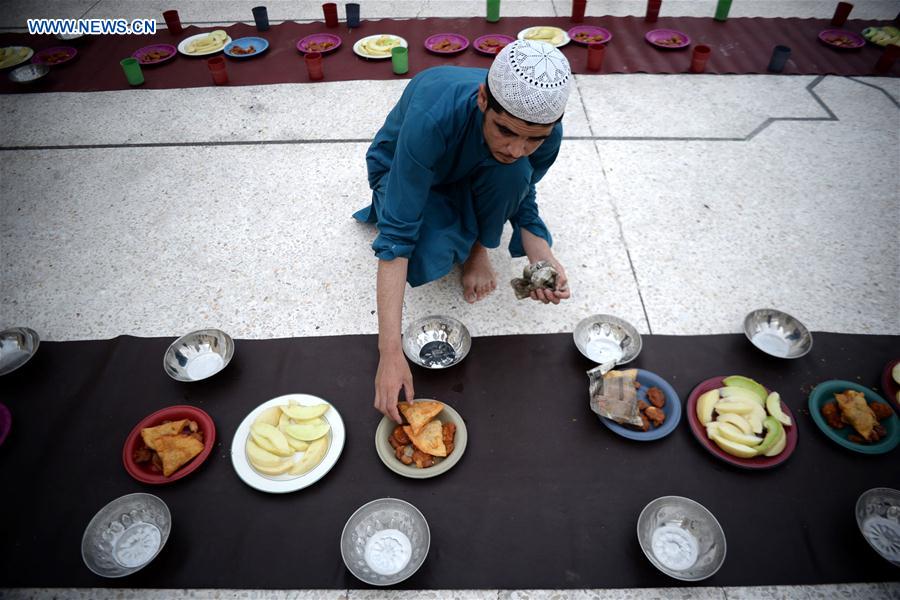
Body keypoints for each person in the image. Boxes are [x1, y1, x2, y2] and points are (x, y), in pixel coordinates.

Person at [352, 40, 573, 422]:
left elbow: (523, 190)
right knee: (427, 251)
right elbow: (396, 242)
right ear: (483, 99)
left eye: (533, 138)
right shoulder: (432, 118)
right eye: (506, 131)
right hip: (406, 167)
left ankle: (476, 249)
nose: (518, 147)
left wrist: (542, 256)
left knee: (513, 173)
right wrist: (389, 354)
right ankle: (465, 230)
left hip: (475, 169)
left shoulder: (544, 136)